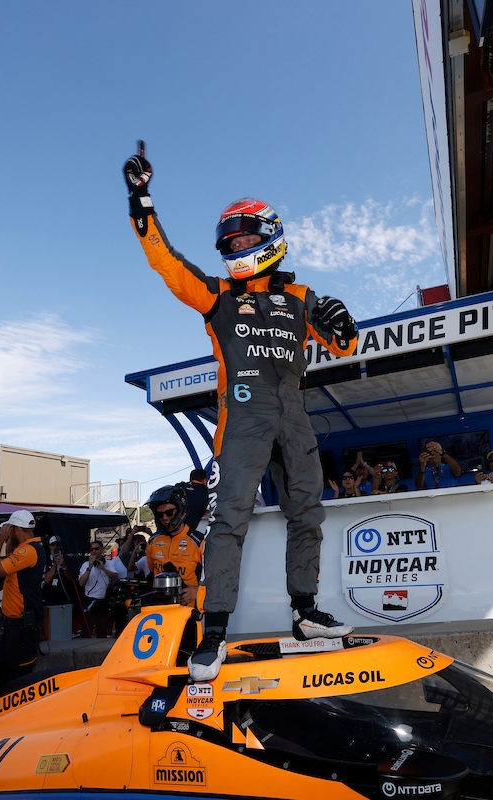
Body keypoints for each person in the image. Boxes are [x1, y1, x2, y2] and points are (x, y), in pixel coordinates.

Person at [125, 148, 357, 681]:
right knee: (229, 521)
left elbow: (343, 345)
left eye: (245, 240)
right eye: (230, 244)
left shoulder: (301, 296)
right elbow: (167, 264)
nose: (237, 249)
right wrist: (142, 202)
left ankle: (306, 613)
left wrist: (344, 323)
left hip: (293, 414)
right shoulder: (218, 296)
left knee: (308, 513)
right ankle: (213, 633)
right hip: (243, 417)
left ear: (270, 238)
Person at [0, 510, 45, 690]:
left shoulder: (28, 551)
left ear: (17, 529)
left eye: (10, 529)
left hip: (20, 626)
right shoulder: (28, 548)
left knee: (18, 678)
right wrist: (10, 536)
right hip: (10, 623)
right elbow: (10, 550)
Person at [144, 486, 202, 607]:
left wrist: (198, 591)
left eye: (169, 513)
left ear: (180, 510)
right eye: (160, 514)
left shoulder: (199, 542)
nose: (165, 518)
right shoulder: (153, 541)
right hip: (159, 608)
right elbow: (152, 570)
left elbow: (216, 579)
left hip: (188, 610)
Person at [78, 540, 115, 638]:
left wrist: (103, 568)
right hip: (90, 600)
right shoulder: (85, 565)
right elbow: (81, 583)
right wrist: (90, 567)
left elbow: (115, 577)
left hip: (103, 601)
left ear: (102, 549)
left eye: (96, 549)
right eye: (92, 550)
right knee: (87, 629)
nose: (94, 551)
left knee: (102, 629)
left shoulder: (109, 563)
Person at [181, 469, 210, 534]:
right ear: (205, 480)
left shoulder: (180, 486)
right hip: (187, 531)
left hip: (171, 526)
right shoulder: (206, 492)